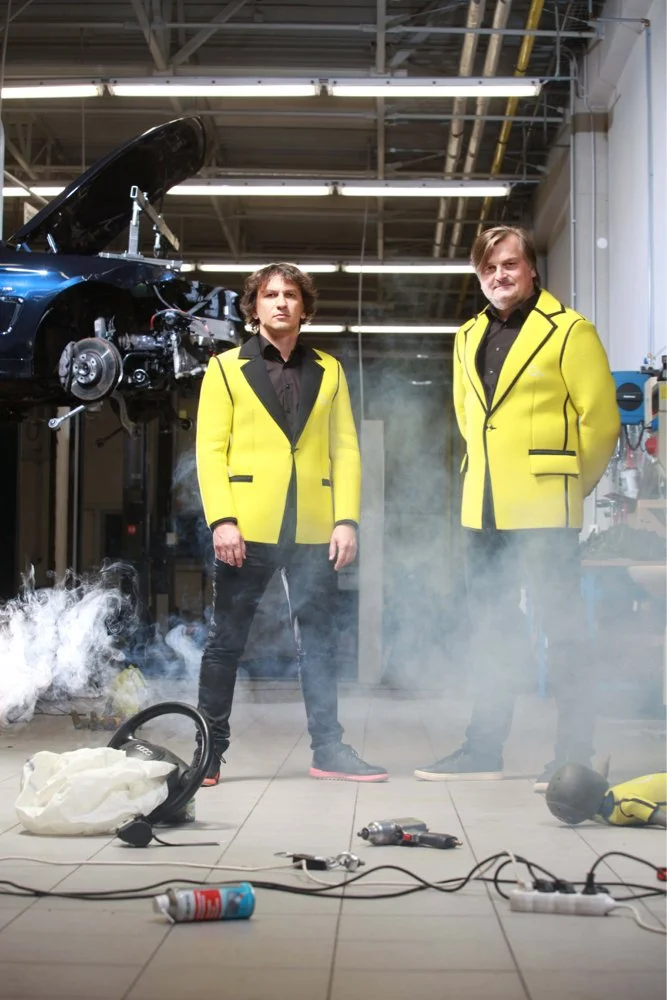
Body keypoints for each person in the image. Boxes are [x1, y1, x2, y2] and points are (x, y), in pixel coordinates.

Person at [414, 225, 620, 790]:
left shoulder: (568, 330)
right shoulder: (466, 336)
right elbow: (467, 416)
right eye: (488, 269)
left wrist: (566, 487)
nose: (499, 276)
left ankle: (573, 754)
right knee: (490, 630)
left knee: (563, 631)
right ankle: (484, 748)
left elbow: (600, 421)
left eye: (509, 264)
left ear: (531, 269)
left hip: (546, 506)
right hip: (483, 506)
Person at [195, 262, 388, 785]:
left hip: (313, 528)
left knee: (321, 642)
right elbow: (210, 451)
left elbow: (346, 449)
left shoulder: (329, 369)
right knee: (225, 643)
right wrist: (224, 519)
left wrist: (346, 519)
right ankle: (208, 753)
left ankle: (329, 749)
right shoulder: (225, 369)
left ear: (305, 306)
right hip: (247, 527)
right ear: (253, 306)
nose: (281, 302)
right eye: (270, 294)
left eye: (291, 295)